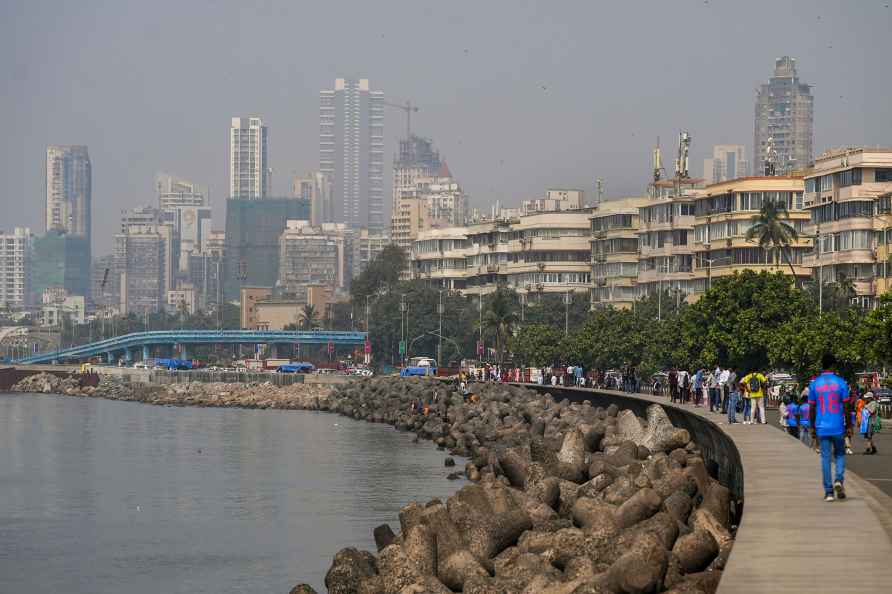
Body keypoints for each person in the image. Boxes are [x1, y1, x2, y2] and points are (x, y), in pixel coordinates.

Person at [808, 353, 852, 501]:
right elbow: (846, 406)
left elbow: (812, 408)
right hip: (838, 425)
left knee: (825, 458)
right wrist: (849, 425)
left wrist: (812, 427)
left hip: (821, 426)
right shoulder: (841, 383)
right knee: (839, 454)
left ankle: (828, 492)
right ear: (833, 365)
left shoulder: (815, 384)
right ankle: (838, 479)